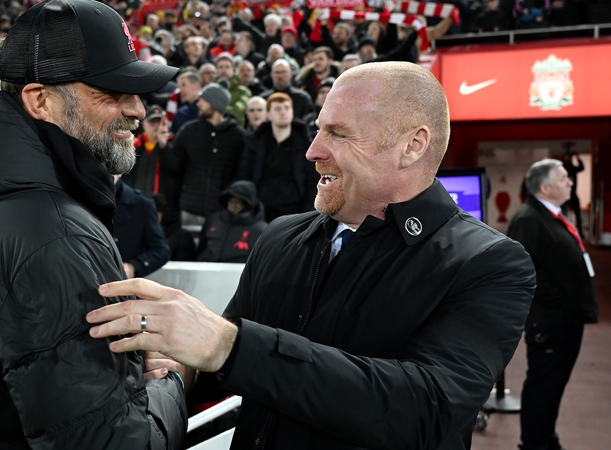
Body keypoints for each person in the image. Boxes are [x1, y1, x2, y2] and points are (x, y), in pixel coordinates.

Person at [87, 62, 537, 449]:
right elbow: (227, 367)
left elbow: (426, 410)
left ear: (413, 146)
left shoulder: (490, 263)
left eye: (338, 134)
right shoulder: (281, 236)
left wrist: (225, 344)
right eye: (318, 129)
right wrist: (179, 365)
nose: (312, 151)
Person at [0, 0, 187, 448]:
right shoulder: (55, 234)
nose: (138, 109)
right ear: (41, 100)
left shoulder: (9, 205)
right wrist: (177, 383)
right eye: (111, 91)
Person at [507, 158, 598, 450]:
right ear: (544, 187)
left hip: (565, 318)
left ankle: (547, 438)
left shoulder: (555, 214)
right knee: (543, 387)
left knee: (554, 386)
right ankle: (534, 443)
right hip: (551, 321)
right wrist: (558, 301)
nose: (570, 182)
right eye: (563, 179)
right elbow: (522, 273)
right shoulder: (528, 220)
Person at [171, 82, 246, 226]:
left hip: (220, 212)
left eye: (203, 100)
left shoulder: (238, 137)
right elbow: (175, 166)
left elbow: (241, 173)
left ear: (215, 104)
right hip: (189, 208)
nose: (198, 104)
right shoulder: (189, 130)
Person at [237, 92, 316, 222]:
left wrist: (306, 214)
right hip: (260, 210)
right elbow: (245, 173)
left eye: (287, 108)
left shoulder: (306, 143)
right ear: (268, 114)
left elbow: (312, 180)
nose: (283, 112)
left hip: (295, 210)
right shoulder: (256, 142)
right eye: (277, 109)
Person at [113, 176, 171, 278]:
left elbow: (161, 251)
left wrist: (133, 266)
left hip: (120, 285)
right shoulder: (78, 198)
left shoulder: (142, 204)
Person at [196, 180, 267, 263]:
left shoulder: (261, 230)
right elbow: (201, 248)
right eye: (230, 202)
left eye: (238, 203)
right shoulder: (213, 220)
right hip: (206, 268)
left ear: (247, 205)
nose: (233, 207)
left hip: (239, 272)